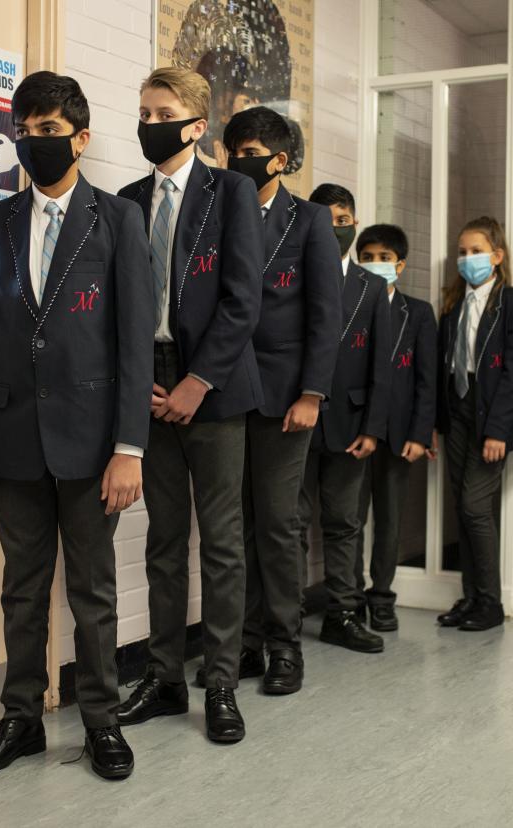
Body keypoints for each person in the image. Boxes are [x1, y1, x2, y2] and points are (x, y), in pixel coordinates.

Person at [0, 72, 152, 779]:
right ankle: (21, 719)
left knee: (92, 590)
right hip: (10, 441)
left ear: (80, 137)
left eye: (46, 131)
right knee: (21, 588)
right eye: (24, 131)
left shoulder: (120, 221)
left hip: (95, 445)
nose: (34, 142)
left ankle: (100, 720)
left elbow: (134, 343)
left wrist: (130, 448)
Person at [114, 66, 264, 745]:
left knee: (223, 543)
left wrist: (197, 382)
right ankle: (165, 677)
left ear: (196, 124)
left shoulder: (231, 192)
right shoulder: (125, 200)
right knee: (163, 540)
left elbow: (242, 299)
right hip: (150, 382)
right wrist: (141, 380)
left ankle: (222, 681)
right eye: (143, 111)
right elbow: (121, 307)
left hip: (214, 384)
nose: (149, 123)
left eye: (162, 112)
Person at [223, 106, 341, 696]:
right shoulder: (217, 211)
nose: (235, 162)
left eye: (247, 152)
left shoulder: (310, 220)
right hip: (225, 392)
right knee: (231, 527)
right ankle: (240, 644)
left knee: (277, 522)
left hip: (285, 398)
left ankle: (283, 646)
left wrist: (313, 394)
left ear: (278, 159)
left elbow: (326, 314)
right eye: (231, 150)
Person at [433, 217, 513, 631]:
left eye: (476, 251)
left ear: (497, 256)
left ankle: (490, 602)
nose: (467, 258)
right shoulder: (454, 305)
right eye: (461, 252)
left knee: (476, 507)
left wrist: (497, 430)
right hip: (457, 412)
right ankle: (471, 596)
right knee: (462, 506)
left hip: (490, 413)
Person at [302, 183, 392, 653]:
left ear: (355, 223)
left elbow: (382, 365)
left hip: (351, 423)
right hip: (293, 421)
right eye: (327, 220)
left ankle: (342, 612)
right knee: (289, 523)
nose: (337, 229)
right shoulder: (289, 277)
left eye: (344, 220)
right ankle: (282, 617)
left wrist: (374, 427)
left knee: (343, 522)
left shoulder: (372, 287)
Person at [352, 223, 437, 633]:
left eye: (383, 258)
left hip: (399, 433)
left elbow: (427, 379)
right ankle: (348, 597)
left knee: (388, 518)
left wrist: (421, 434)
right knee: (348, 518)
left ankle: (381, 597)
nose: (374, 264)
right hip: (354, 430)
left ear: (399, 265)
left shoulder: (417, 314)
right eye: (366, 257)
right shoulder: (349, 305)